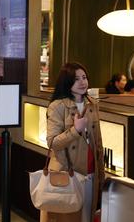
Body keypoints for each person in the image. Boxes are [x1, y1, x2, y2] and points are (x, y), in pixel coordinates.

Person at [42, 62, 103, 222]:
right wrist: (75, 130)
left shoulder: (92, 104)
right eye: (76, 79)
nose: (82, 82)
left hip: (90, 172)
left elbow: (98, 143)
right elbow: (53, 143)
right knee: (67, 217)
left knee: (85, 216)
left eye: (84, 77)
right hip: (67, 172)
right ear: (67, 82)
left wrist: (101, 175)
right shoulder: (57, 106)